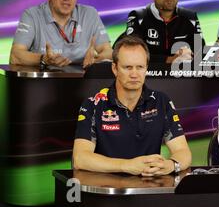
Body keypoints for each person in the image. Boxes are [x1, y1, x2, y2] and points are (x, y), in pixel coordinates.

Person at [72, 35, 192, 176]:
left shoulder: (161, 101)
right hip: (107, 191)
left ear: (146, 68)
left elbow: (183, 152)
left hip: (149, 190)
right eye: (127, 67)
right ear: (115, 69)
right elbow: (80, 159)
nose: (134, 74)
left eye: (140, 67)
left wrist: (171, 165)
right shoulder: (93, 105)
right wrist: (126, 165)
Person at [9, 0, 112, 68]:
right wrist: (44, 59)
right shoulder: (32, 15)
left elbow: (108, 52)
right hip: (43, 81)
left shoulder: (90, 14)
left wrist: (96, 59)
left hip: (82, 81)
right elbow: (16, 56)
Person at [122, 0, 204, 64]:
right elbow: (131, 53)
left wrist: (188, 55)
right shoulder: (139, 17)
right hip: (148, 76)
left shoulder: (190, 17)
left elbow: (200, 52)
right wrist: (168, 60)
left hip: (181, 75)